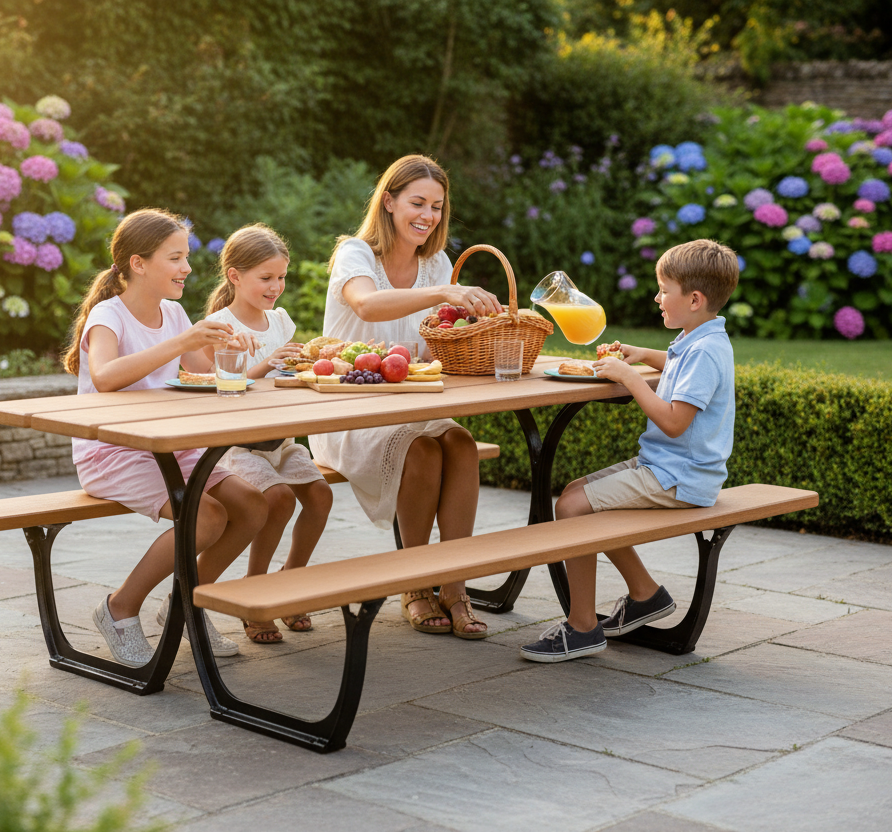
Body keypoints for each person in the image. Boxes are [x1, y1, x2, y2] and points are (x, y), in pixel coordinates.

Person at [63, 207, 268, 666]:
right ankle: (119, 608)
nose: (187, 268)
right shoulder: (108, 316)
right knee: (207, 518)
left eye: (186, 257)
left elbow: (201, 374)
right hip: (111, 453)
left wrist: (228, 350)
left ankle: (185, 603)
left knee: (254, 505)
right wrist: (181, 342)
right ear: (138, 263)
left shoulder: (173, 314)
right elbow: (105, 376)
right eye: (175, 258)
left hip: (169, 448)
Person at [312, 154, 504, 639]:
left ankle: (455, 587)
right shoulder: (356, 253)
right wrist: (442, 294)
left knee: (461, 443)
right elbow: (366, 304)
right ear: (389, 201)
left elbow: (438, 340)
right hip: (349, 411)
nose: (428, 216)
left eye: (437, 207)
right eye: (417, 203)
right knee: (421, 450)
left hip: (410, 405)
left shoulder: (434, 263)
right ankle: (414, 584)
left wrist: (471, 327)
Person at [520, 238, 739, 662]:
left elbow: (674, 422)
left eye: (664, 290)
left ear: (694, 299)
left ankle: (582, 627)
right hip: (671, 467)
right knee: (575, 492)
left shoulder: (705, 351)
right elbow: (679, 365)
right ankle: (645, 594)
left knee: (571, 508)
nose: (657, 298)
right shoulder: (701, 339)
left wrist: (629, 376)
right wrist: (643, 356)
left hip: (679, 477)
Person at [202, 224, 334, 644]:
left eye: (281, 277)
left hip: (281, 440)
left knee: (320, 496)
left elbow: (285, 378)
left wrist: (310, 365)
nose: (276, 286)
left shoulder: (280, 320)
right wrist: (267, 363)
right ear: (235, 276)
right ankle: (255, 595)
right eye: (266, 277)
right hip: (236, 445)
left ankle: (288, 584)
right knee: (277, 498)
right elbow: (223, 389)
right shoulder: (218, 326)